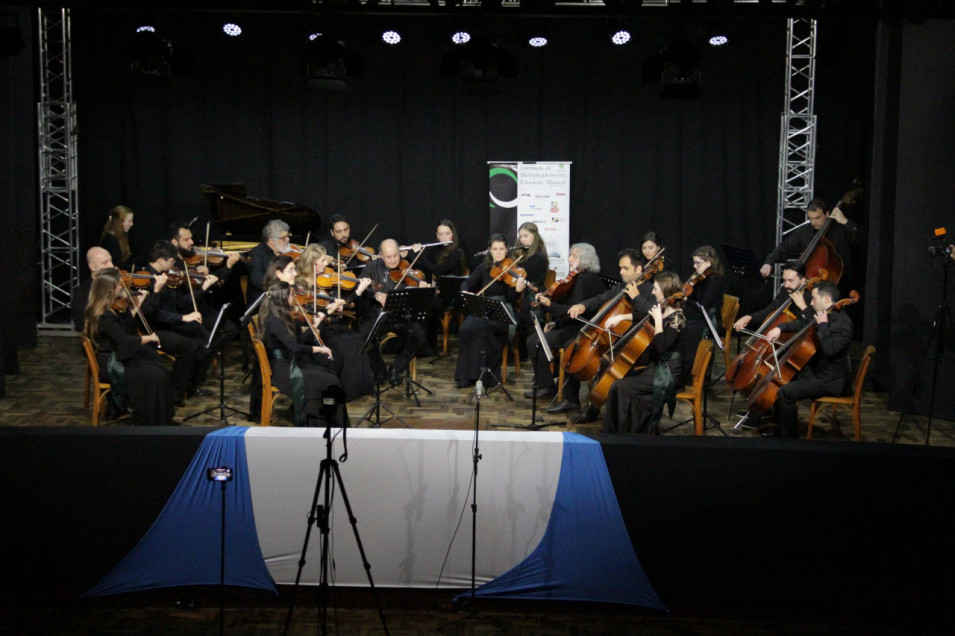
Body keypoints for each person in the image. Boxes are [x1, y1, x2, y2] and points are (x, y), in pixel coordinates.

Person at [564, 248, 656, 423]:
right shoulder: (621, 288)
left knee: (605, 361)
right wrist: (583, 305)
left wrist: (636, 297)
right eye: (620, 268)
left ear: (639, 269)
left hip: (635, 345)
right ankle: (570, 399)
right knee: (573, 346)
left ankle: (593, 409)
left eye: (626, 268)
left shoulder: (650, 290)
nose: (621, 272)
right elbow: (600, 299)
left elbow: (651, 315)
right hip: (613, 338)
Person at [759, 280, 853, 439]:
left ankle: (789, 438)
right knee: (780, 377)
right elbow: (802, 323)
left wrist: (822, 325)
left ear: (826, 300)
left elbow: (829, 349)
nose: (811, 303)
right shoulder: (826, 315)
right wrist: (779, 328)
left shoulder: (843, 324)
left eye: (814, 298)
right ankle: (780, 426)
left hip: (830, 380)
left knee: (786, 392)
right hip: (817, 371)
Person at [83, 268, 176, 426]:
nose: (123, 287)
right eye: (120, 285)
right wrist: (149, 337)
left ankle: (162, 419)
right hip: (112, 363)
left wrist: (134, 306)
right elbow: (125, 340)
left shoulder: (112, 309)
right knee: (154, 375)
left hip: (119, 354)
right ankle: (149, 420)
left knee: (158, 367)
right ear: (111, 289)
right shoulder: (103, 316)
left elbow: (125, 329)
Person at [602, 271, 686, 435]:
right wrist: (621, 318)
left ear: (666, 290)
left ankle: (622, 434)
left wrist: (659, 323)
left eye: (656, 289)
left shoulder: (679, 318)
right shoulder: (664, 309)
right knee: (621, 383)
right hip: (656, 367)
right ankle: (622, 431)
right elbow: (643, 315)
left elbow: (663, 349)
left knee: (620, 386)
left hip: (668, 372)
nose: (653, 293)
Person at [523, 243, 605, 411]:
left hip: (582, 331)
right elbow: (569, 310)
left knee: (562, 346)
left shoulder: (585, 280)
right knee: (534, 341)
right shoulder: (579, 278)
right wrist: (555, 322)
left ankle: (571, 399)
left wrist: (549, 305)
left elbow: (573, 313)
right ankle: (546, 385)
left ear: (585, 259)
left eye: (573, 256)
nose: (569, 259)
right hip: (573, 327)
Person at [257, 281, 348, 427]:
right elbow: (294, 347)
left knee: (328, 373)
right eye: (291, 295)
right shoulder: (275, 321)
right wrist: (320, 349)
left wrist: (313, 328)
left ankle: (325, 417)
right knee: (328, 380)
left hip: (285, 363)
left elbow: (293, 343)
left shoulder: (275, 316)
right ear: (284, 298)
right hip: (282, 369)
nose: (293, 298)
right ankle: (322, 419)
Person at [293, 246, 377, 401]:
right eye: (322, 260)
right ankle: (347, 391)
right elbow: (312, 318)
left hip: (327, 323)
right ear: (312, 263)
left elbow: (337, 305)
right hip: (315, 331)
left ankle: (360, 387)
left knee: (357, 339)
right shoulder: (300, 286)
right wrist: (330, 310)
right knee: (348, 344)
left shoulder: (322, 281)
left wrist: (356, 293)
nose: (326, 264)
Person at [139, 240, 216, 402]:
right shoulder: (144, 279)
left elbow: (180, 303)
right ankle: (174, 392)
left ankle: (190, 384)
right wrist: (181, 317)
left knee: (207, 338)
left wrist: (202, 289)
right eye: (172, 261)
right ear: (161, 261)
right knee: (188, 345)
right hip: (154, 328)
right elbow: (151, 313)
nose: (176, 265)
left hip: (170, 323)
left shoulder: (167, 277)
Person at [356, 239, 431, 386]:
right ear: (381, 256)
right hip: (379, 314)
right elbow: (360, 285)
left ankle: (396, 370)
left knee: (419, 337)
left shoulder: (407, 266)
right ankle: (379, 371)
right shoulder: (372, 267)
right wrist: (376, 294)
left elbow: (424, 279)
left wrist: (421, 289)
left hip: (402, 315)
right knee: (364, 335)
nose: (393, 260)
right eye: (388, 257)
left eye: (396, 255)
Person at [454, 234, 524, 389]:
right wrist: (466, 292)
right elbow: (467, 282)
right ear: (489, 250)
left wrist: (518, 290)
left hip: (502, 309)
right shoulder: (484, 267)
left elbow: (511, 298)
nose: (498, 253)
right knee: (467, 328)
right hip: (483, 305)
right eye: (495, 249)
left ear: (507, 250)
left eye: (501, 249)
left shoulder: (512, 269)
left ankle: (486, 377)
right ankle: (466, 375)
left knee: (488, 330)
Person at [759, 198, 861, 281]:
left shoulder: (840, 229)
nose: (813, 222)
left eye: (817, 218)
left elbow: (859, 238)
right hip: (811, 280)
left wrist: (845, 222)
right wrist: (769, 262)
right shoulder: (805, 231)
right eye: (810, 218)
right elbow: (784, 247)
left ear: (827, 214)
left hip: (839, 282)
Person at [406, 219, 467, 354]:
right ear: (436, 235)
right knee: (420, 301)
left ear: (453, 235)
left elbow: (438, 270)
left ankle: (427, 348)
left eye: (447, 233)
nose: (444, 237)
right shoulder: (435, 251)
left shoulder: (457, 253)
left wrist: (420, 254)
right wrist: (410, 254)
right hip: (439, 293)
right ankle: (423, 345)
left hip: (453, 296)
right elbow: (424, 267)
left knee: (428, 303)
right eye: (440, 234)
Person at [677, 245, 727, 388]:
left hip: (710, 321)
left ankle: (692, 376)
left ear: (708, 262)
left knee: (686, 329)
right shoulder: (703, 278)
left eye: (698, 263)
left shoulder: (713, 280)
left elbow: (703, 305)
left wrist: (687, 299)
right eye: (694, 263)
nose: (695, 266)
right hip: (702, 316)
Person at [733, 260, 810, 334]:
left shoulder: (811, 298)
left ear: (802, 281)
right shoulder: (784, 293)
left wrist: (803, 307)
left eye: (791, 280)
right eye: (784, 281)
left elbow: (810, 323)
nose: (786, 285)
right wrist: (749, 317)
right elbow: (768, 311)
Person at [247, 220, 294, 303]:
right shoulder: (257, 253)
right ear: (271, 240)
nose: (288, 239)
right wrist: (281, 285)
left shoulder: (283, 252)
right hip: (265, 301)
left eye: (288, 235)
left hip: (285, 296)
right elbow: (258, 280)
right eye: (283, 237)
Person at [71, 247, 115, 332]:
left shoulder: (107, 285)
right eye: (105, 263)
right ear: (92, 267)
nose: (111, 266)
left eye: (111, 261)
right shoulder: (85, 293)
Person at [99, 205, 135, 271]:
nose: (132, 224)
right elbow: (117, 264)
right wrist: (139, 269)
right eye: (129, 221)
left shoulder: (121, 237)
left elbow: (127, 260)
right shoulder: (110, 240)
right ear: (119, 222)